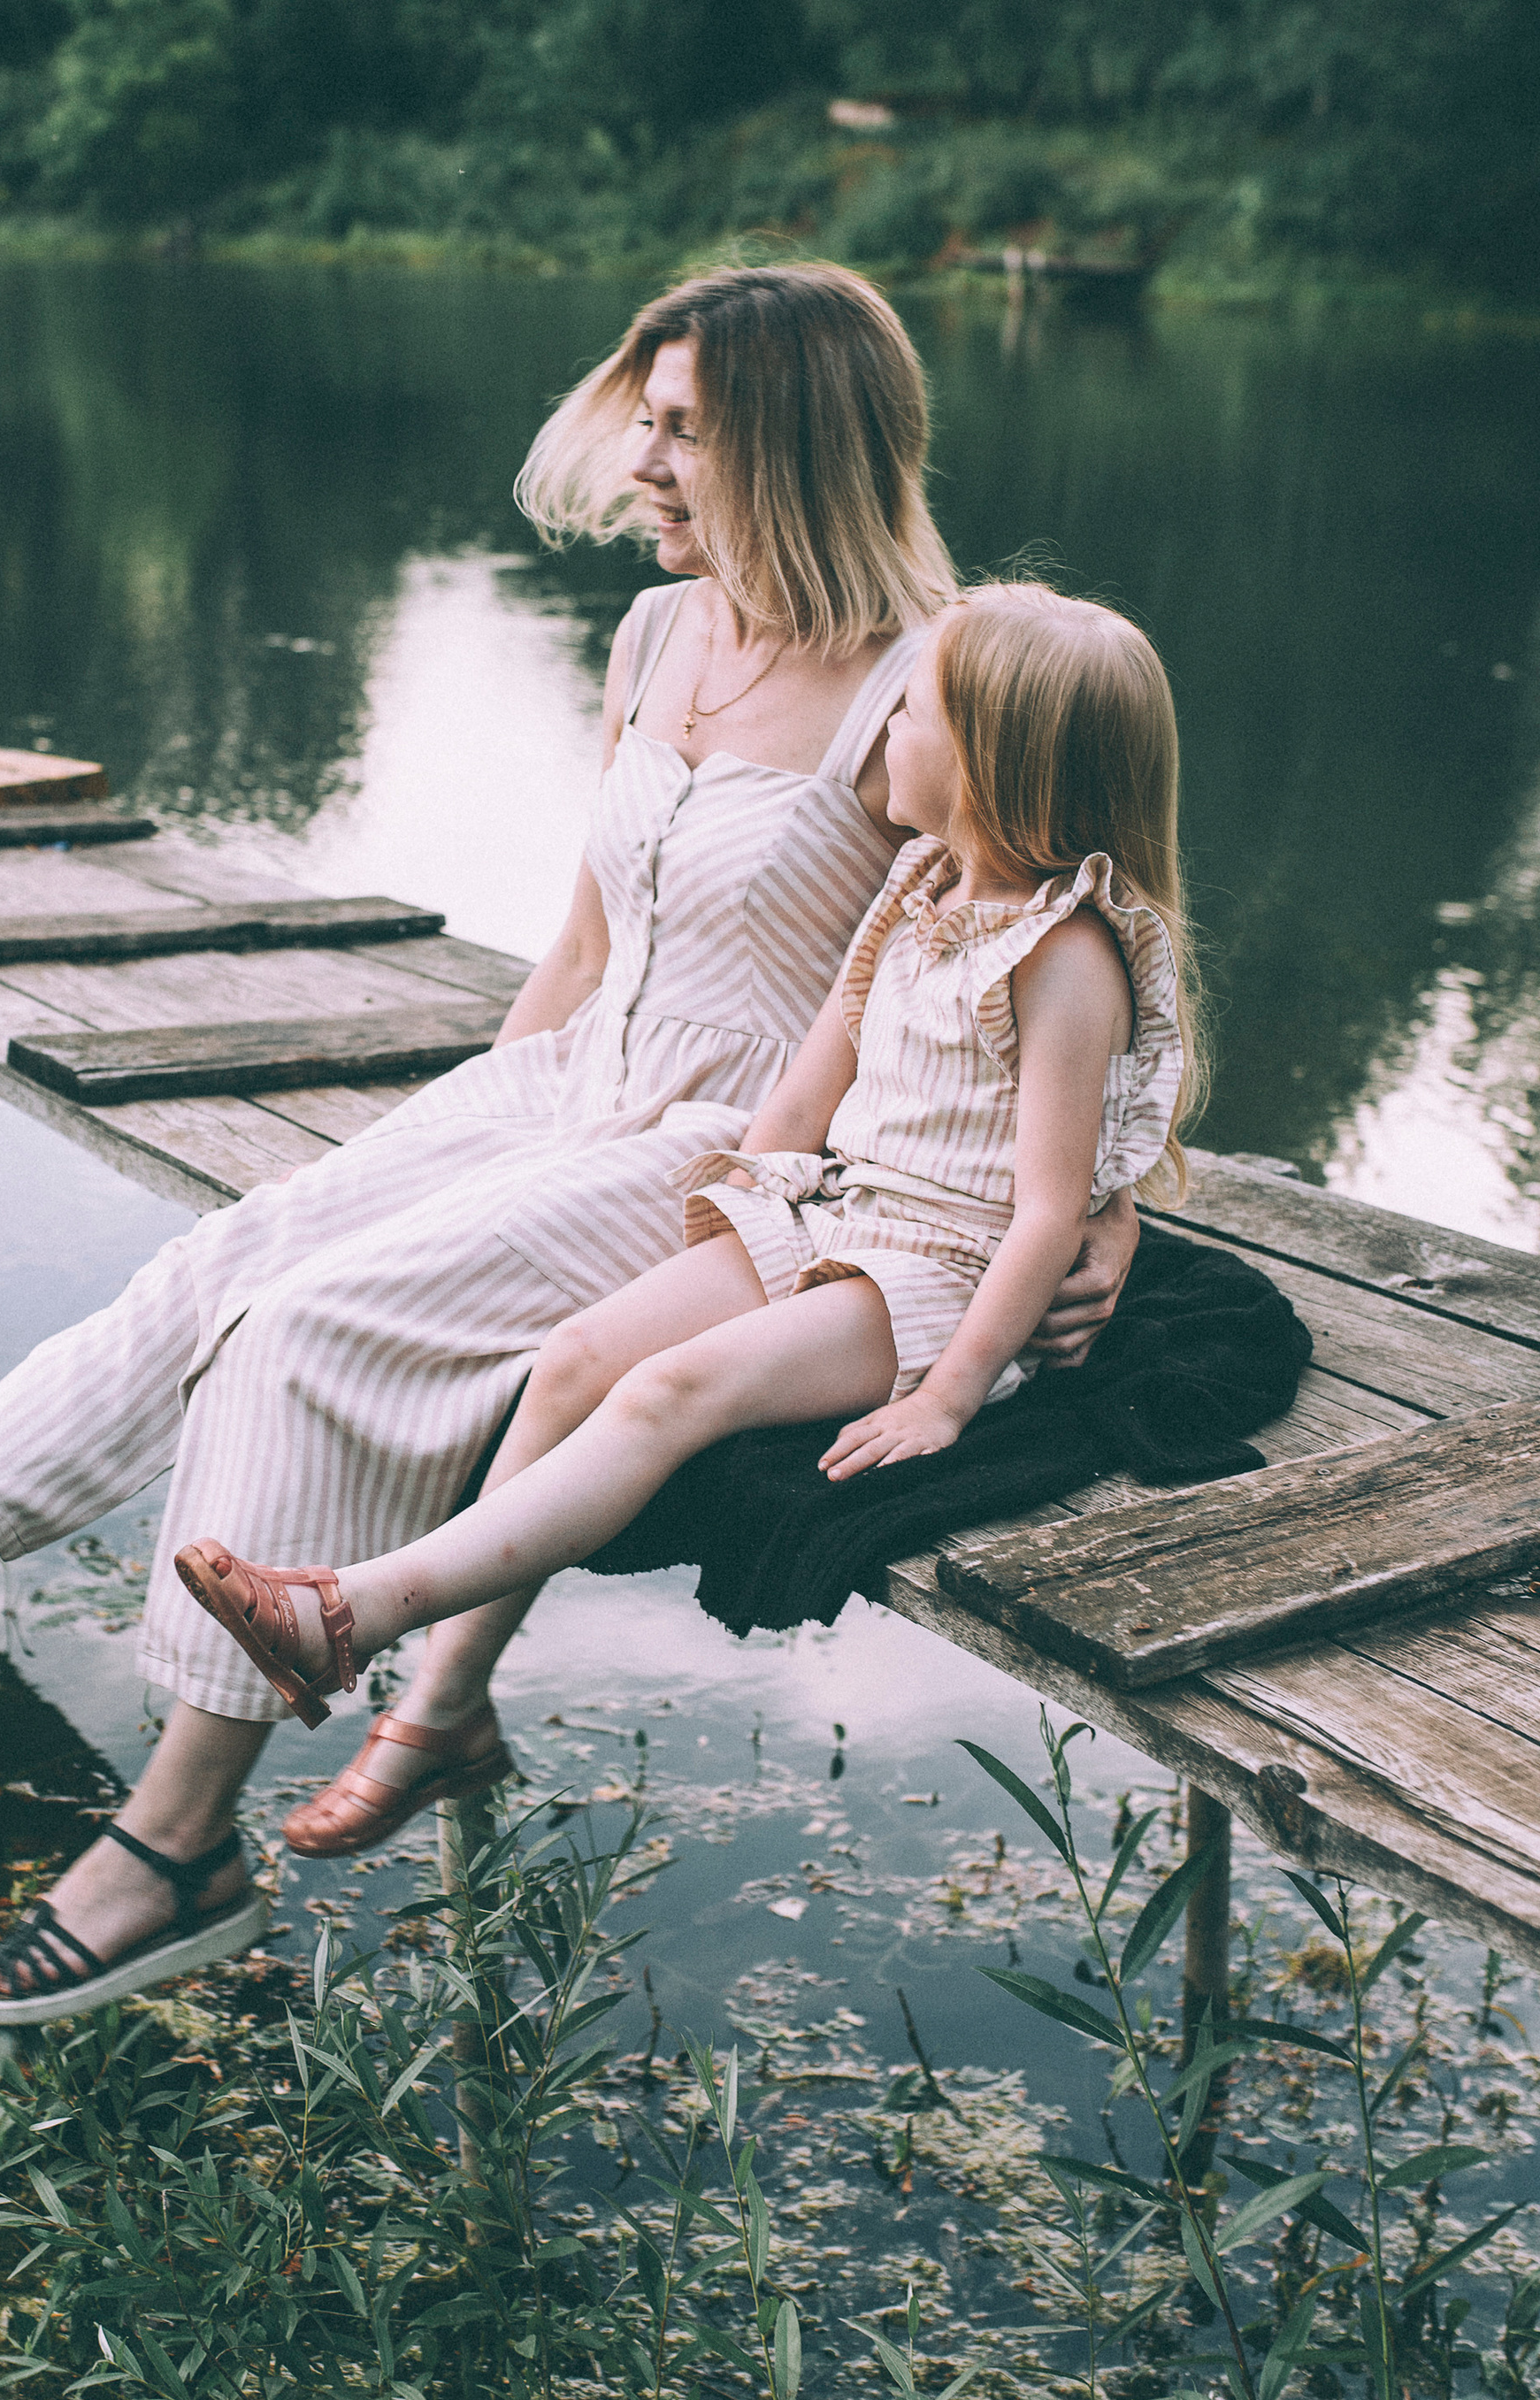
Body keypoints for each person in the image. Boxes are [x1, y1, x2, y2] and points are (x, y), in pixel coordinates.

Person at [0, 272, 1139, 2029]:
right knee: (223, 1265)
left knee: (310, 1336)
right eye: (646, 418)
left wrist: (1115, 1201)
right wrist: (455, 1133)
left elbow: (1098, 922)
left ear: (798, 448)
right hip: (567, 1075)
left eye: (684, 431)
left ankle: (174, 1845)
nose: (642, 463)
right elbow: (589, 941)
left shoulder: (939, 676)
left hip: (730, 1150)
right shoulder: (654, 637)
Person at [177, 586, 1199, 1767]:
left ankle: (353, 1612)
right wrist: (738, 1231)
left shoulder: (1065, 956)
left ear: (992, 763)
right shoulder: (916, 886)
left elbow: (1045, 1208)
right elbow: (808, 1096)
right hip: (840, 1211)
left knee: (668, 1395)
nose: (881, 735)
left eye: (911, 713)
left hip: (943, 1275)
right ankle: (441, 1690)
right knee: (575, 1356)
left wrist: (949, 1397)